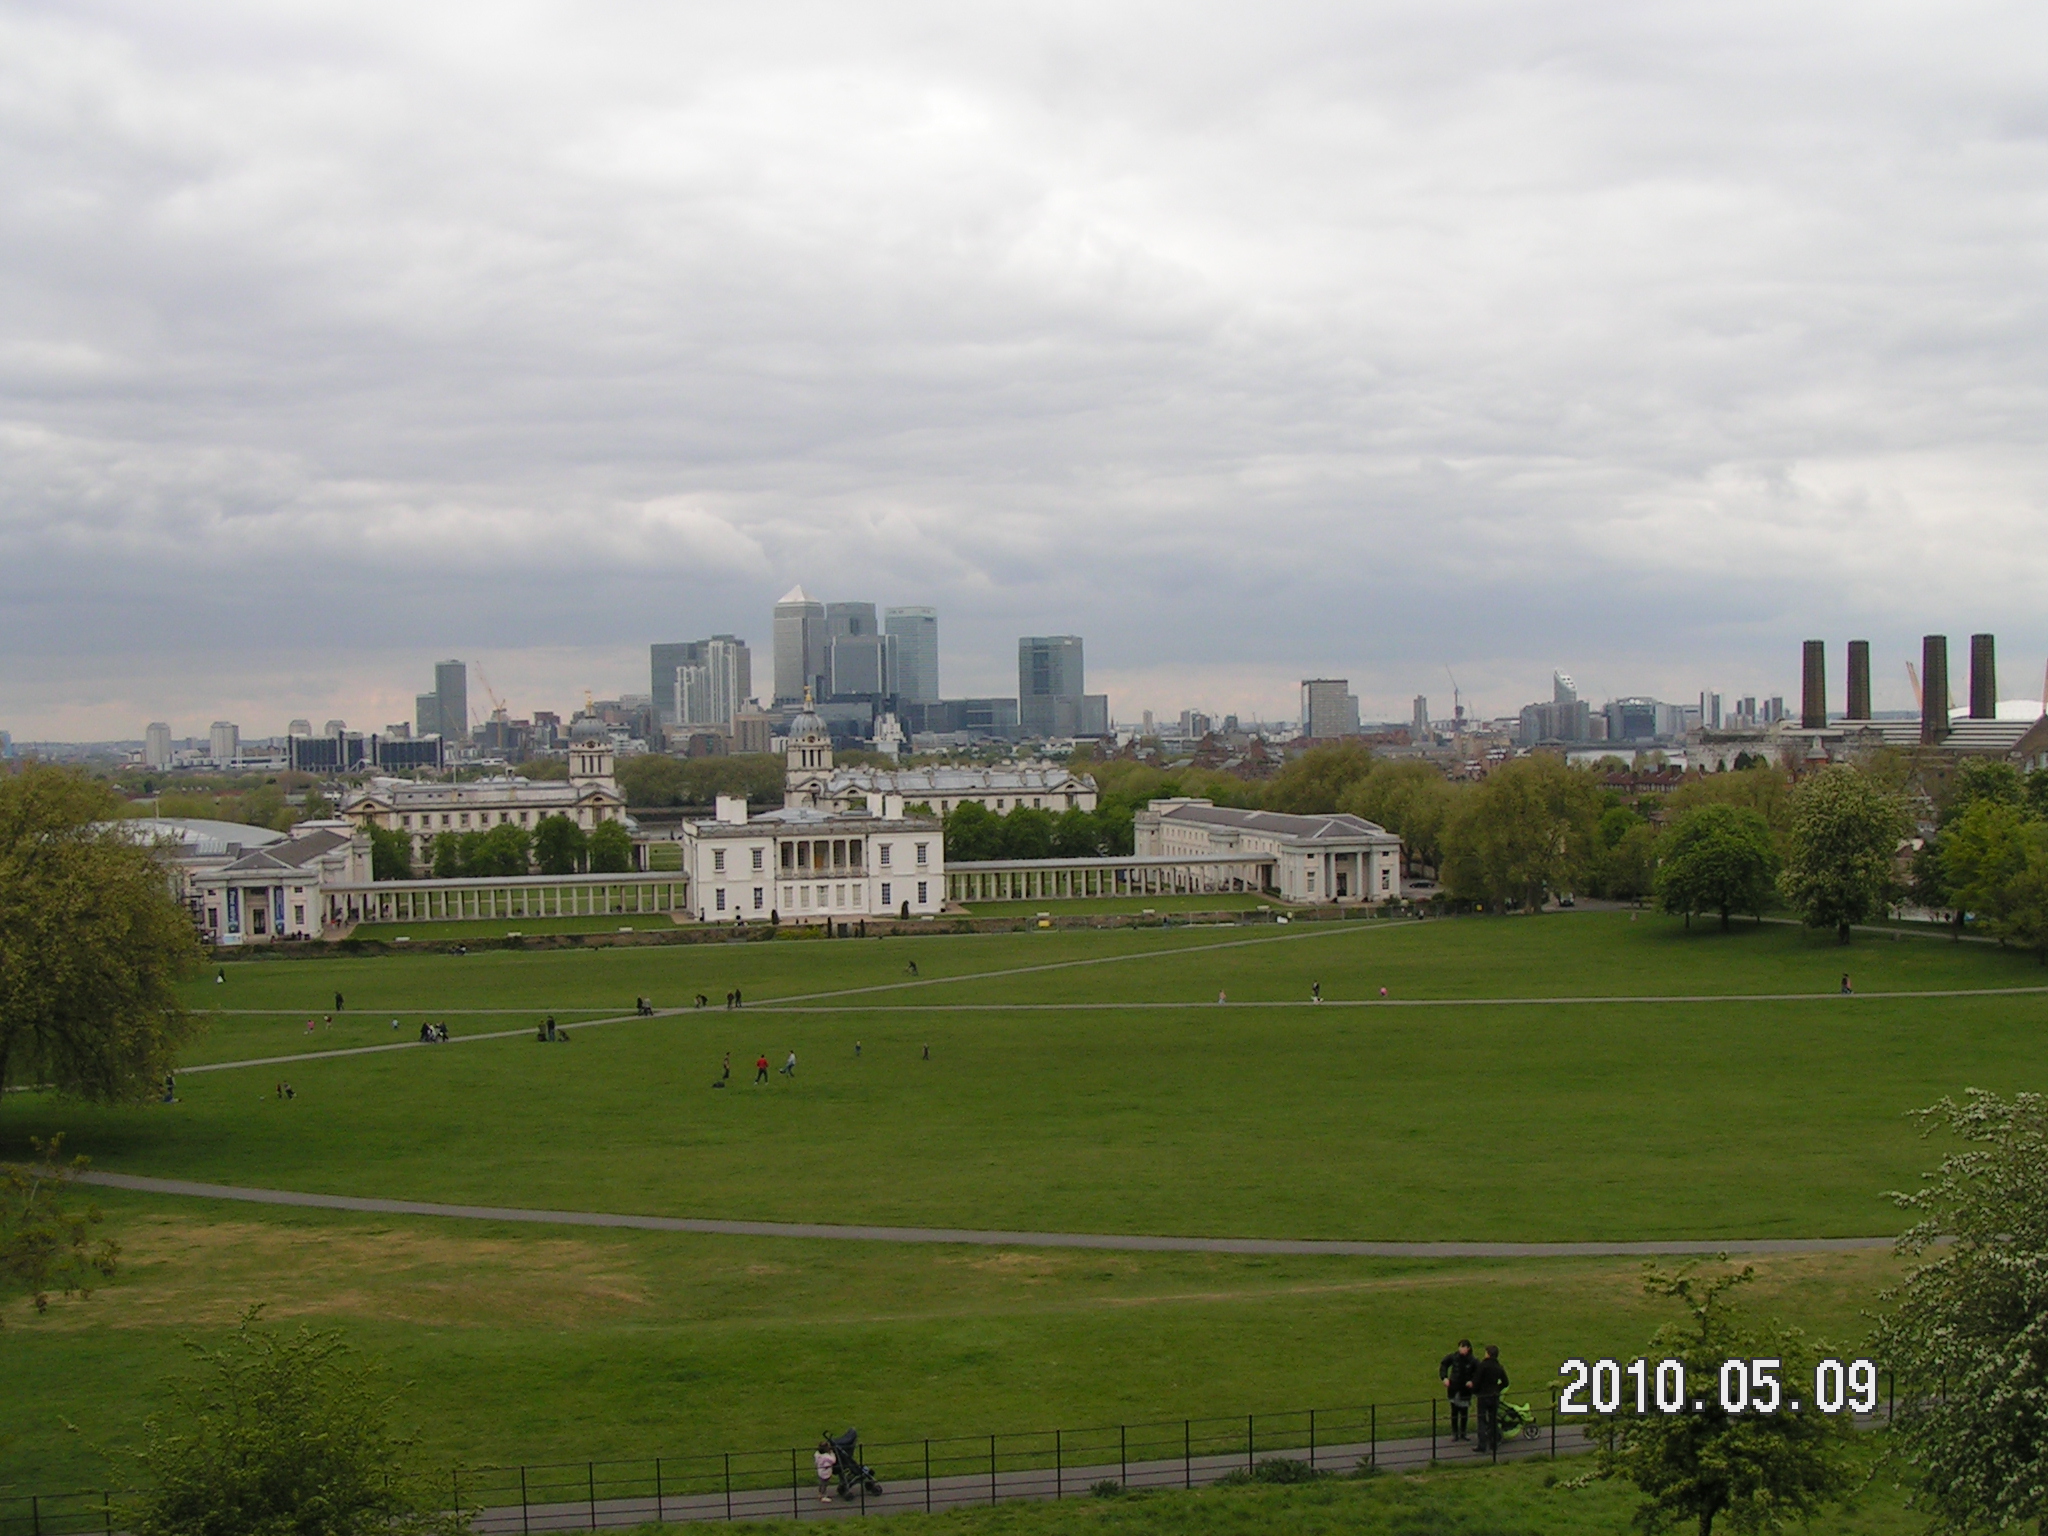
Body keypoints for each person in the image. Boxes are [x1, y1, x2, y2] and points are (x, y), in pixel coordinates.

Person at [1473, 1345, 1509, 1452]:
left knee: (1481, 1419)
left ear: (1488, 1354)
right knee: (1493, 1420)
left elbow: (1476, 1381)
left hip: (1483, 1395)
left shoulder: (1483, 1366)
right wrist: (1497, 1389)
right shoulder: (1499, 1367)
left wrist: (1475, 1391)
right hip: (1494, 1396)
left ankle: (1482, 1444)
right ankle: (1493, 1443)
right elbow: (1505, 1382)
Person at [1440, 1340, 1478, 1441]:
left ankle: (1463, 1433)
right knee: (1454, 1412)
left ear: (1468, 1348)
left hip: (1465, 1390)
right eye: (1460, 1347)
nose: (1461, 1349)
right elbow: (1444, 1364)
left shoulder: (1473, 1360)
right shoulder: (1454, 1357)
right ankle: (1455, 1433)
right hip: (1454, 1388)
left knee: (1464, 1412)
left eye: (1463, 1347)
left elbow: (1478, 1372)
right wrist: (1444, 1377)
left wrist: (1472, 1381)